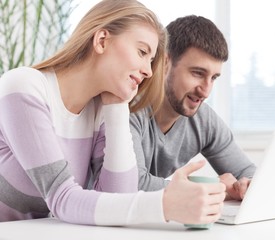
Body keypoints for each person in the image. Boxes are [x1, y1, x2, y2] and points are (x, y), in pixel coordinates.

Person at [0, 0, 226, 226]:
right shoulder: (24, 87)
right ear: (102, 41)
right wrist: (163, 205)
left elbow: (118, 196)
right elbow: (62, 199)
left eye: (151, 60)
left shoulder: (99, 108)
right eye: (142, 52)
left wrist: (117, 107)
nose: (148, 71)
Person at [130, 15, 256, 201]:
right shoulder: (130, 107)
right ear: (165, 63)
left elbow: (247, 172)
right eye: (198, 73)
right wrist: (216, 187)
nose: (206, 91)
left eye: (213, 78)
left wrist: (248, 184)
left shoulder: (203, 120)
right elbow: (132, 184)